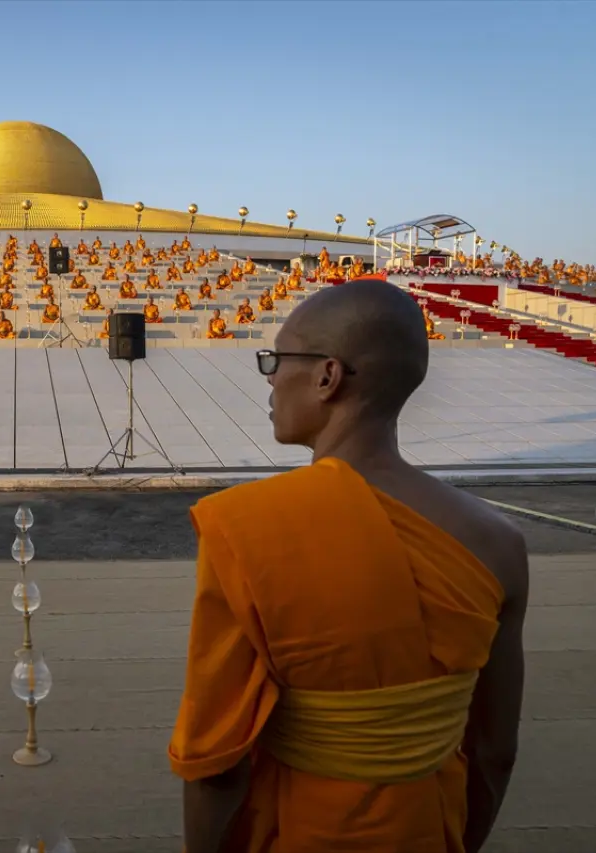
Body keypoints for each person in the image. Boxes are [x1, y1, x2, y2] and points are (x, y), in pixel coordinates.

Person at [170, 280, 526, 853]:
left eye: (277, 359)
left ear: (327, 377)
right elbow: (494, 750)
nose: (268, 377)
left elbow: (217, 763)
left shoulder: (249, 526)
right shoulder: (499, 542)